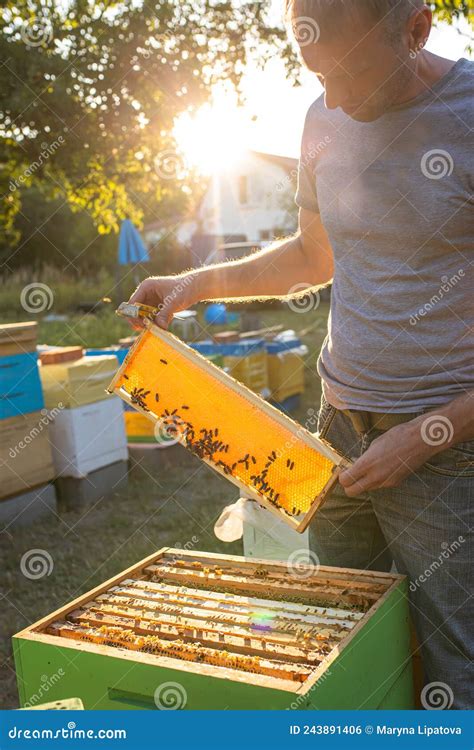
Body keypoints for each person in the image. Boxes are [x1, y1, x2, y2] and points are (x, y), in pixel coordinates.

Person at [130, 1, 473, 709]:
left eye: (351, 76)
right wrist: (198, 283)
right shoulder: (322, 117)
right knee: (351, 647)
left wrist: (429, 433)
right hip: (334, 430)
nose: (334, 100)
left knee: (456, 661)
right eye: (317, 75)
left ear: (416, 30)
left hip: (447, 451)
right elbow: (314, 254)